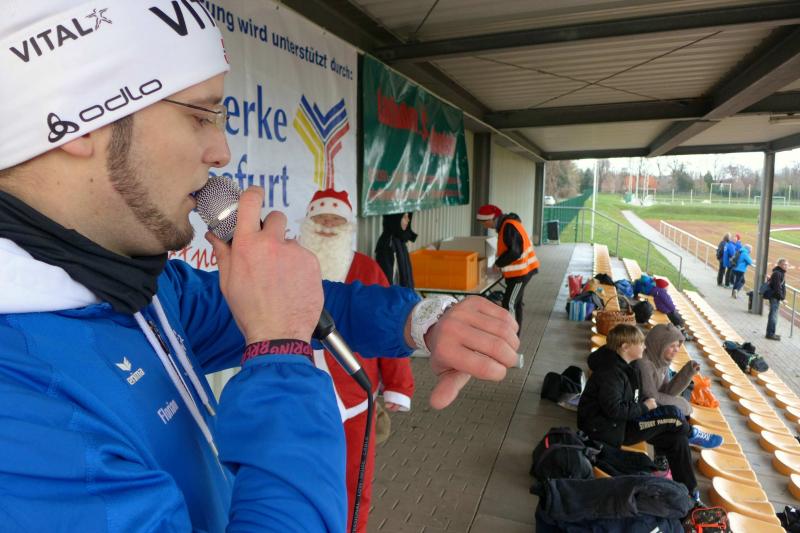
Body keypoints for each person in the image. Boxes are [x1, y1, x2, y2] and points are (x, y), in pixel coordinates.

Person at [0, 3, 520, 530]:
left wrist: (422, 320)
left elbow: (293, 302)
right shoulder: (21, 408)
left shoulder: (136, 287)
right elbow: (283, 323)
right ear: (78, 116)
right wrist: (280, 353)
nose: (221, 152)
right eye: (199, 116)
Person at [299, 188, 414, 533]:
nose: (327, 225)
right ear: (308, 221)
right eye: (321, 218)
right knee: (300, 476)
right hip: (300, 395)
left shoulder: (367, 268)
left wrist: (398, 385)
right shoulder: (291, 262)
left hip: (354, 397)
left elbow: (390, 328)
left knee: (355, 479)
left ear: (348, 225)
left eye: (336, 219)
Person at [577, 325, 714, 503]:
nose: (644, 346)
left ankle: (690, 492)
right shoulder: (611, 372)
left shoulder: (627, 366)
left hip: (624, 422)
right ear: (625, 347)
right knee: (673, 415)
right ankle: (691, 433)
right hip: (610, 430)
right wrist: (644, 407)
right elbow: (615, 410)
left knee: (677, 439)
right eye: (640, 343)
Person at [476, 204, 539, 335]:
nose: (485, 226)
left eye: (484, 222)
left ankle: (509, 336)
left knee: (509, 304)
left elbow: (515, 252)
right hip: (520, 271)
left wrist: (498, 264)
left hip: (521, 273)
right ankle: (515, 336)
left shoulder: (508, 226)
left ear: (491, 218)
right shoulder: (507, 225)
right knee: (516, 303)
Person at [635, 324, 699, 415]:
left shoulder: (661, 359)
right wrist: (683, 405)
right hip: (640, 409)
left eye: (678, 345)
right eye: (672, 346)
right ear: (658, 345)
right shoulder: (644, 364)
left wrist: (687, 372)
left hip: (653, 404)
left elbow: (667, 391)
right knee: (681, 410)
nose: (676, 349)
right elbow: (651, 397)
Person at [375, 212, 417, 288]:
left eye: (408, 216)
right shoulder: (388, 244)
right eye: (404, 217)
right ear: (395, 220)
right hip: (396, 294)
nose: (408, 220)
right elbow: (388, 284)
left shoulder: (399, 239)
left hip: (404, 293)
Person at [765, 258, 788, 341]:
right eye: (784, 264)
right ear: (779, 265)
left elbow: (781, 286)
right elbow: (777, 288)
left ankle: (771, 333)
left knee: (773, 315)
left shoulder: (780, 273)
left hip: (776, 297)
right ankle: (770, 334)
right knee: (773, 316)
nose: (786, 266)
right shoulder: (777, 273)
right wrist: (782, 299)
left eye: (787, 265)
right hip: (775, 297)